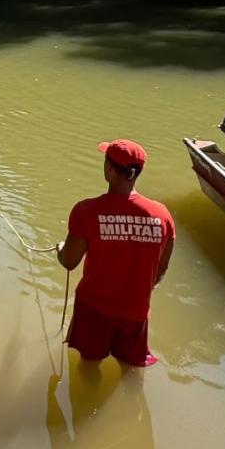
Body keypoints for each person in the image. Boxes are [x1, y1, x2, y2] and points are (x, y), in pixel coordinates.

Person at [55, 140, 175, 367]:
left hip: (94, 310)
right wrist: (138, 293)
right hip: (136, 311)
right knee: (130, 369)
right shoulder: (162, 215)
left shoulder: (86, 211)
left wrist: (61, 249)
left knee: (89, 366)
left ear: (109, 169)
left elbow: (69, 262)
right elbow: (161, 268)